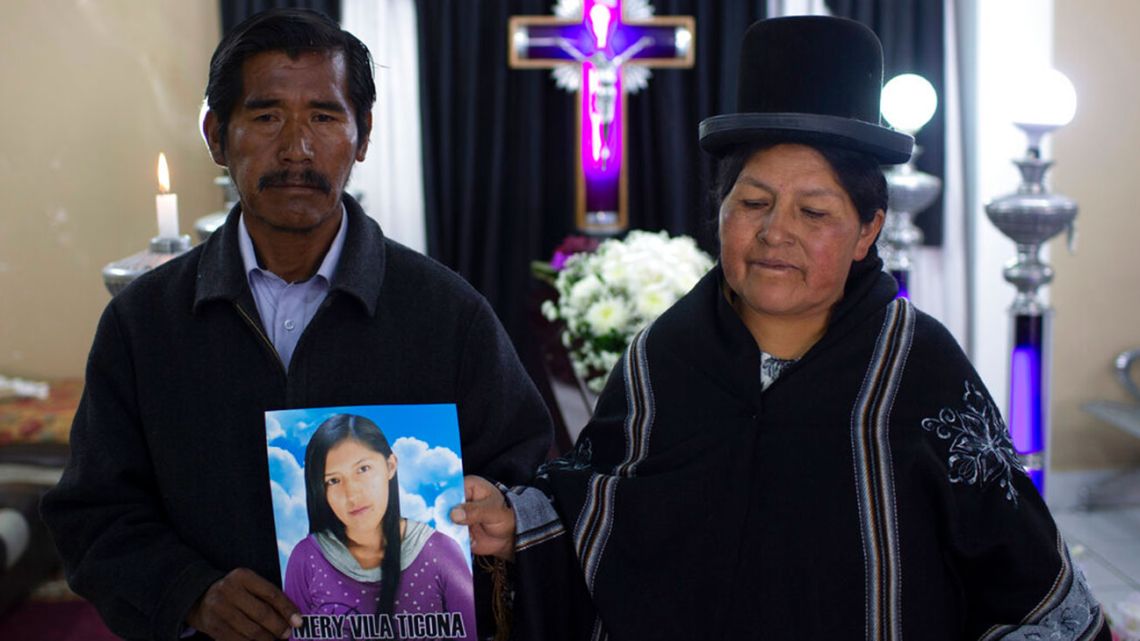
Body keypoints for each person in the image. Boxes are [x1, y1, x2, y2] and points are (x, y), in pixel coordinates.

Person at [453, 16, 1111, 641]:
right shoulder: (664, 357)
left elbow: (1019, 567)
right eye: (755, 202)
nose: (775, 233)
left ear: (868, 230)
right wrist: (515, 520)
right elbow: (594, 498)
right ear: (721, 212)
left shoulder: (917, 367)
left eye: (814, 211)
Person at [40, 9, 550, 641]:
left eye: (325, 116)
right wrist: (189, 593)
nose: (296, 147)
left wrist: (500, 512)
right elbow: (92, 515)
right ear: (216, 136)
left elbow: (532, 477)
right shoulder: (143, 324)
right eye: (265, 115)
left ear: (362, 137)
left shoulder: (447, 313)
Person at [284, 414, 474, 640]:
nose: (352, 494)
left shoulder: (440, 551)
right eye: (333, 481)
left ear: (390, 465)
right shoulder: (307, 557)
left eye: (363, 469)